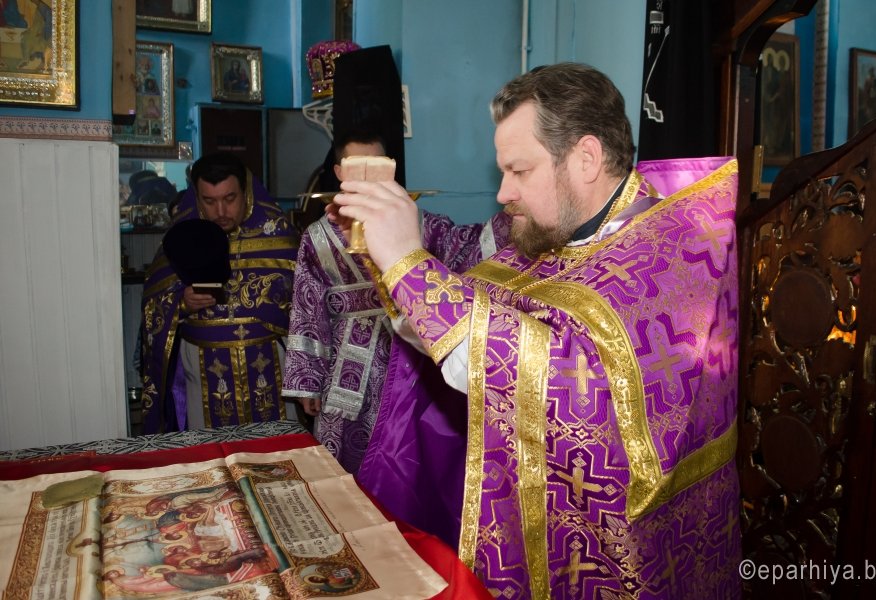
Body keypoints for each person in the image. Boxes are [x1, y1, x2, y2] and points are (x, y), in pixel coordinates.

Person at [331, 63, 741, 597]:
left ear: (586, 158)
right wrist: (388, 265)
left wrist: (410, 265)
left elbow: (568, 386)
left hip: (631, 558)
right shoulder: (562, 238)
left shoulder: (669, 256)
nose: (503, 193)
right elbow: (468, 342)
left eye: (519, 170)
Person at [282, 128, 511, 474]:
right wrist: (306, 382)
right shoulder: (318, 236)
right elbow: (308, 309)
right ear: (340, 171)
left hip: (411, 361)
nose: (368, 176)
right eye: (357, 167)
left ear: (390, 169)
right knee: (344, 468)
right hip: (346, 369)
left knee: (408, 461)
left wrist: (514, 214)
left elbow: (467, 247)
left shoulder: (418, 224)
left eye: (377, 166)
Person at [141, 152, 300, 432]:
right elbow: (153, 303)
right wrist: (181, 303)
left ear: (246, 192)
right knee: (211, 449)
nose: (220, 212)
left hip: (268, 362)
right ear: (196, 196)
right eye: (209, 201)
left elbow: (308, 306)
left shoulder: (279, 234)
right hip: (204, 368)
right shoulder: (183, 235)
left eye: (230, 198)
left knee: (276, 448)